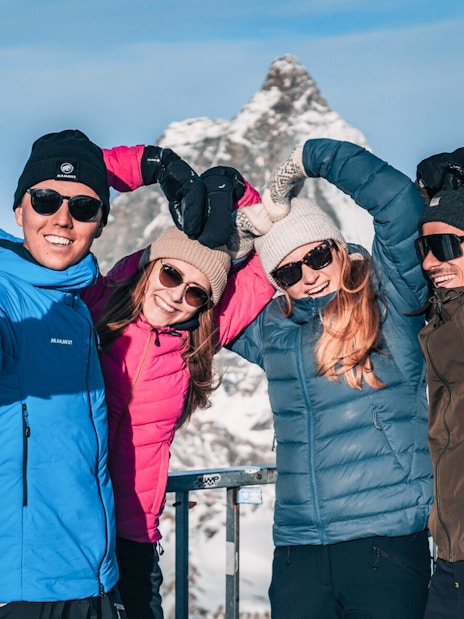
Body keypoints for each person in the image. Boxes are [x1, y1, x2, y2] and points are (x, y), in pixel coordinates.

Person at [0, 129, 212, 618]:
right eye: (45, 199)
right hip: (26, 592)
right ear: (19, 211)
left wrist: (153, 164)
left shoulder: (82, 302)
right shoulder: (12, 300)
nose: (62, 218)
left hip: (96, 579)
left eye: (84, 208)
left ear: (99, 224)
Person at [228, 138, 434, 619]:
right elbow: (204, 305)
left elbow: (400, 206)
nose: (310, 276)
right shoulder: (273, 332)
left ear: (338, 247)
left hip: (384, 542)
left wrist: (312, 157)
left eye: (318, 256)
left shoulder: (389, 300)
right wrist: (236, 241)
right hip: (299, 549)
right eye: (289, 271)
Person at [79, 157, 274, 619]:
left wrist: (235, 190)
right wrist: (152, 165)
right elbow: (74, 181)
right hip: (69, 525)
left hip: (132, 538)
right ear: (151, 266)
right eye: (171, 275)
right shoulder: (93, 301)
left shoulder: (201, 335)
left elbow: (271, 256)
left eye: (195, 292)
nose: (177, 295)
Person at [412, 150, 464, 619]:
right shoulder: (444, 313)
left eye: (447, 247)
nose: (431, 263)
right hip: (451, 554)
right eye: (424, 248)